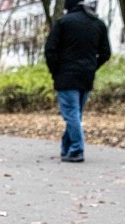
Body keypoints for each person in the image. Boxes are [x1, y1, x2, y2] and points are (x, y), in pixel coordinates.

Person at [44, 0, 110, 163]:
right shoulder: (98, 24)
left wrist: (55, 70)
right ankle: (66, 149)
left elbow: (50, 50)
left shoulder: (63, 22)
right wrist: (92, 66)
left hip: (66, 76)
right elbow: (106, 53)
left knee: (71, 114)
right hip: (86, 76)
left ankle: (76, 149)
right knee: (75, 114)